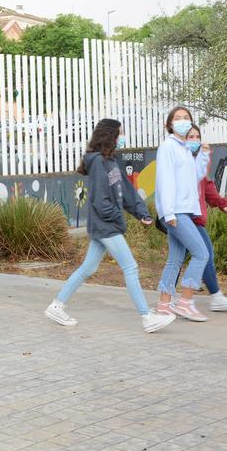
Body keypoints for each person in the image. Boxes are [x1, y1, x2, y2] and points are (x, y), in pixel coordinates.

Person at [45, 119, 176, 333]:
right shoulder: (97, 161)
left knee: (88, 268)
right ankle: (146, 317)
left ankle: (57, 306)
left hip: (104, 225)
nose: (122, 137)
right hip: (106, 225)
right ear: (110, 135)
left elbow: (125, 189)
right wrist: (116, 217)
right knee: (131, 267)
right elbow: (99, 199)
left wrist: (141, 213)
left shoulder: (110, 161)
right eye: (120, 133)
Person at [172, 124, 227, 311]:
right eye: (190, 137)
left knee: (179, 258)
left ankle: (171, 297)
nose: (194, 140)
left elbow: (207, 186)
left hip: (194, 216)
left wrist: (223, 204)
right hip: (185, 216)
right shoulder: (179, 160)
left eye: (197, 137)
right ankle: (205, 298)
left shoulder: (198, 160)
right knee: (204, 254)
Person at [155, 106, 211, 321]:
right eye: (177, 118)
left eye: (186, 117)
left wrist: (203, 156)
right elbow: (165, 181)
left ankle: (164, 304)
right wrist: (168, 213)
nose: (182, 121)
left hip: (183, 210)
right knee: (201, 253)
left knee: (175, 259)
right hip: (175, 212)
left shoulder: (185, 148)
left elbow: (195, 176)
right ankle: (185, 302)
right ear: (169, 124)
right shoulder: (168, 147)